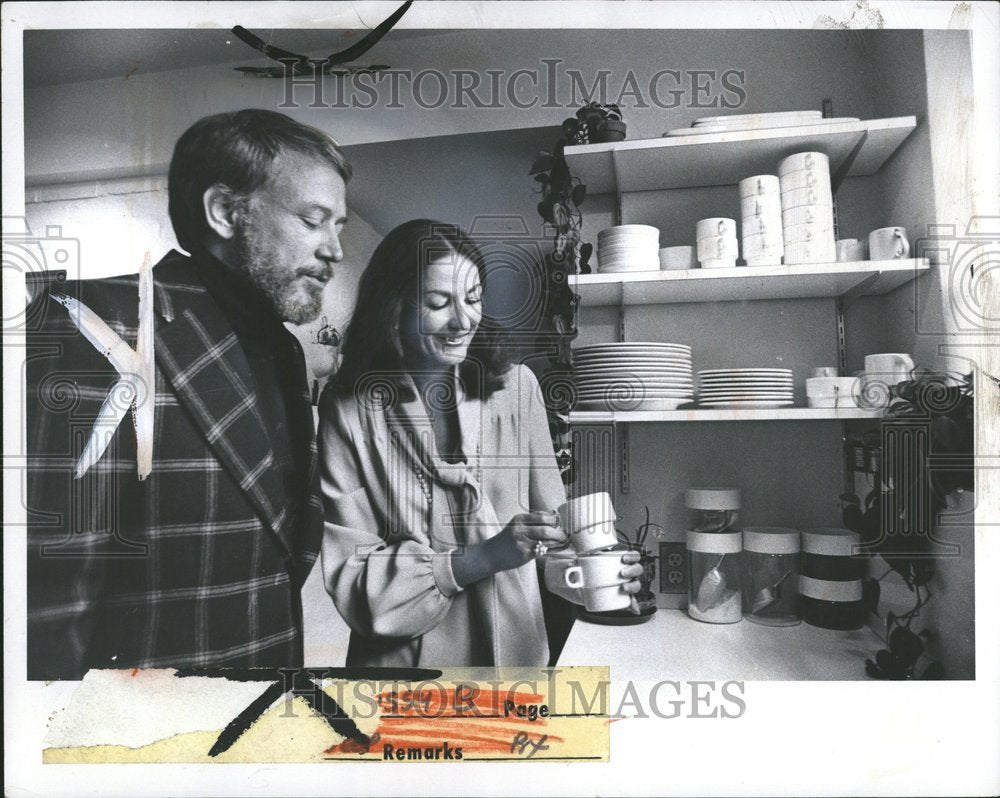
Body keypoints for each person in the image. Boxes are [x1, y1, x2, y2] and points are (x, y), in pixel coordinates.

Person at [25, 109, 350, 679]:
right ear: (226, 212)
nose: (335, 250)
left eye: (339, 227)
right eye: (313, 220)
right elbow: (53, 597)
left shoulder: (287, 351)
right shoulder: (96, 324)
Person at [319, 219, 642, 667]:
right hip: (404, 671)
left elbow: (552, 544)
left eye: (473, 299)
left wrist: (596, 577)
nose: (462, 320)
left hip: (514, 656)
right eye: (438, 303)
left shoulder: (517, 387)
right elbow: (352, 576)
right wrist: (482, 558)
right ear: (392, 309)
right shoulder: (348, 411)